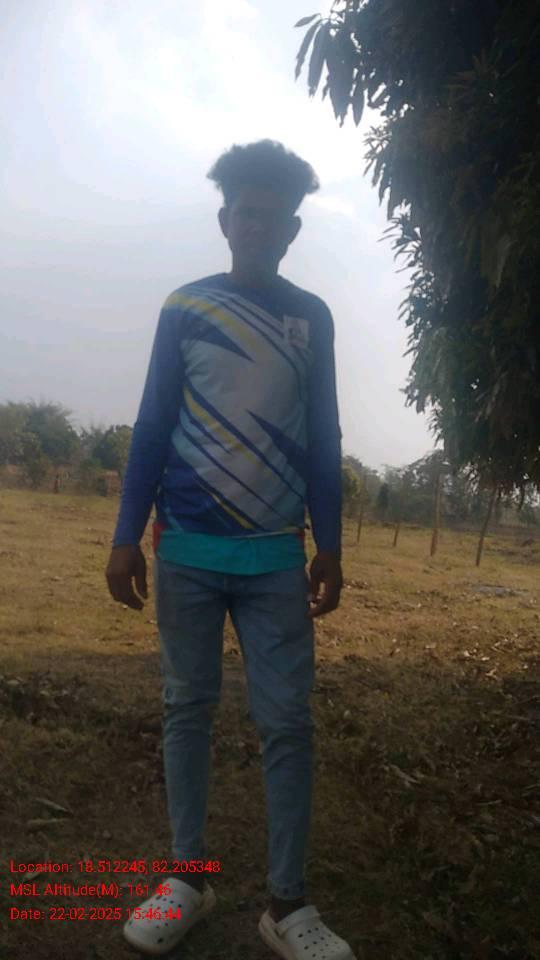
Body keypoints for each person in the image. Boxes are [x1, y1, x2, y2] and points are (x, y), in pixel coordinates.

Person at [105, 139, 355, 959]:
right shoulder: (186, 307)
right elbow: (152, 423)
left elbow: (324, 436)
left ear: (292, 231)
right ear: (225, 220)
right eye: (246, 213)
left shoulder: (310, 317)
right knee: (187, 710)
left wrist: (330, 543)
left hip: (276, 559)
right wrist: (125, 535)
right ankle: (186, 878)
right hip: (185, 551)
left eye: (273, 218)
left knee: (288, 723)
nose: (258, 228)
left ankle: (287, 904)